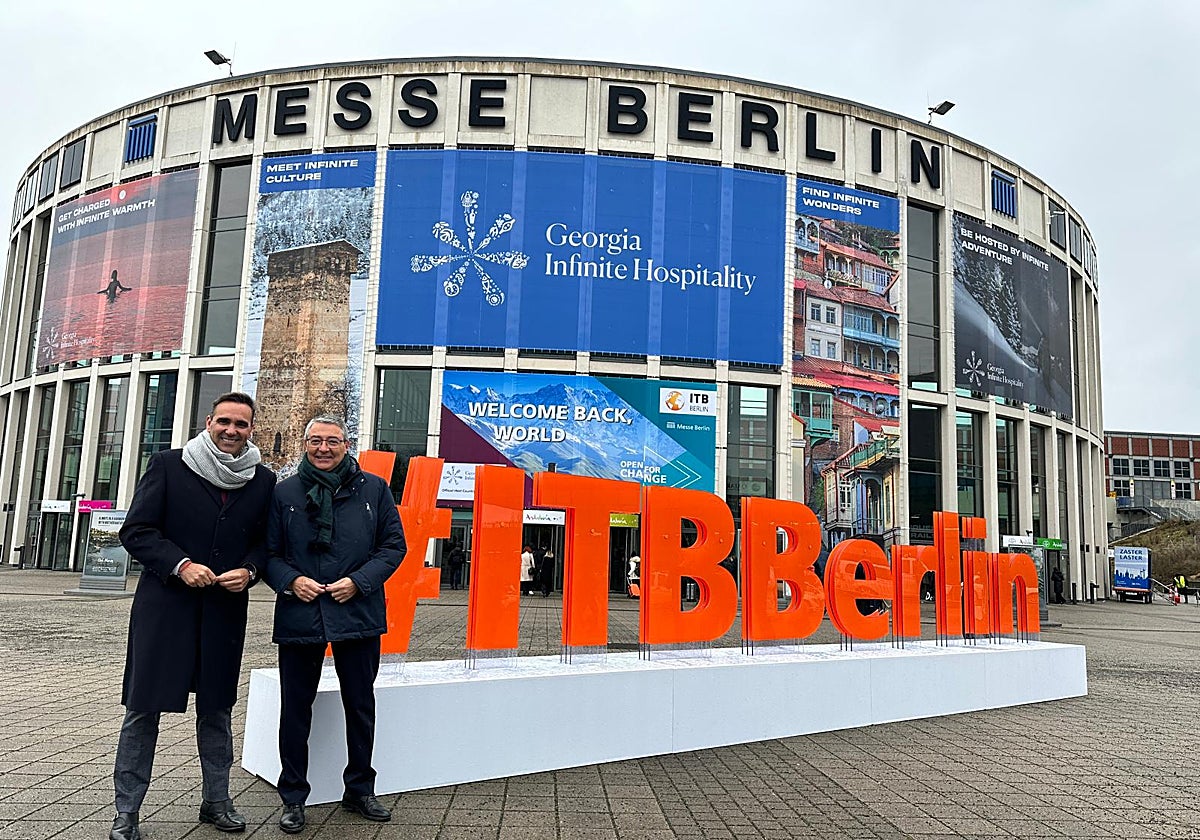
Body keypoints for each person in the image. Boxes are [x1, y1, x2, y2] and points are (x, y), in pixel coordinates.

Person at [110, 392, 276, 840]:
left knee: (217, 711)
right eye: (224, 421)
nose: (231, 431)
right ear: (208, 421)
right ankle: (126, 812)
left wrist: (251, 569)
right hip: (165, 611)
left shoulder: (263, 480)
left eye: (241, 425)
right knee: (142, 711)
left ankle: (217, 801)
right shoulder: (169, 464)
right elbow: (137, 531)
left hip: (223, 612)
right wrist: (181, 564)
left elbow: (265, 543)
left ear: (251, 430)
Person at [264, 415, 405, 834]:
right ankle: (292, 797)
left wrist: (358, 583)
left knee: (360, 705)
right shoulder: (284, 492)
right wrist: (291, 581)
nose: (323, 449)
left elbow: (393, 546)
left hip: (356, 612)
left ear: (347, 444)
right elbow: (269, 554)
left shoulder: (374, 489)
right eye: (315, 441)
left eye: (332, 441)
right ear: (304, 444)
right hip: (300, 613)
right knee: (295, 709)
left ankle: (360, 789)